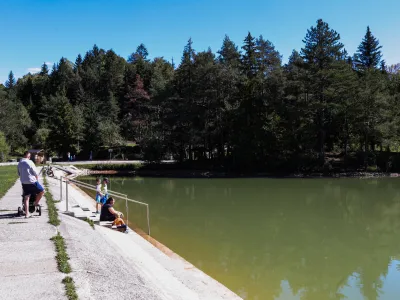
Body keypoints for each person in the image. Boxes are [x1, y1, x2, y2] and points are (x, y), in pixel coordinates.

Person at [17, 151, 45, 218]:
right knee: (42, 191)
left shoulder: (19, 163)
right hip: (32, 182)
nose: (30, 157)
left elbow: (19, 174)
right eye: (29, 156)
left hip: (24, 182)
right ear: (28, 156)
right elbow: (36, 173)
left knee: (26, 197)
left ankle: (27, 214)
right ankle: (36, 203)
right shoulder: (30, 162)